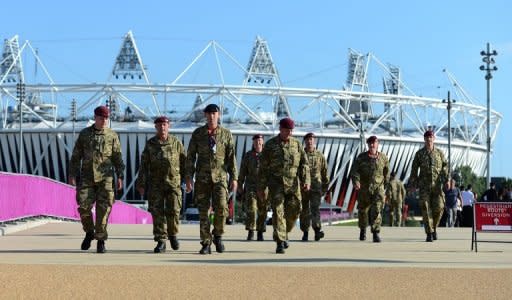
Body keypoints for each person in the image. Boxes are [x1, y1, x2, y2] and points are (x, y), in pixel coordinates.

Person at [68, 105, 125, 253]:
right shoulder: (85, 134)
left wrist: (120, 176)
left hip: (106, 179)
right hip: (87, 177)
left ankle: (100, 240)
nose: (104, 120)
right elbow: (76, 156)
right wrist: (72, 174)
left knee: (103, 210)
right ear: (95, 118)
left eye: (106, 118)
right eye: (101, 118)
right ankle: (89, 232)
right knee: (84, 207)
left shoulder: (112, 135)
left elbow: (117, 157)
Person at [185, 103, 238, 255]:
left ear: (219, 115)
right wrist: (189, 177)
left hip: (220, 178)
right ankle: (206, 243)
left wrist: (234, 178)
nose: (211, 116)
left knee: (222, 208)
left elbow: (231, 157)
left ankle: (218, 235)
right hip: (202, 178)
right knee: (203, 212)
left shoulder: (226, 134)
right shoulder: (198, 134)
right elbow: (190, 157)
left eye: (214, 113)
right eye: (208, 113)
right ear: (205, 115)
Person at [258, 117, 310, 254]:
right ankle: (280, 241)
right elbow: (263, 168)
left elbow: (304, 164)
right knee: (278, 212)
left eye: (291, 130)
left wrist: (306, 180)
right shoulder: (270, 145)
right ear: (280, 129)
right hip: (276, 184)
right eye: (287, 130)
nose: (289, 133)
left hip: (293, 184)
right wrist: (261, 187)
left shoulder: (297, 145)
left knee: (294, 210)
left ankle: (284, 232)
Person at [136, 116, 186, 253]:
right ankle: (161, 241)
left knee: (174, 211)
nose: (162, 127)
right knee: (157, 213)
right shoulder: (150, 144)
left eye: (164, 125)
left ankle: (173, 234)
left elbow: (184, 163)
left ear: (168, 126)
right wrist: (141, 183)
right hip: (155, 184)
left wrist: (187, 180)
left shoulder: (176, 143)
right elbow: (144, 165)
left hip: (173, 184)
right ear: (156, 127)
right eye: (159, 125)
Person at [409, 130, 448, 242]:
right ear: (424, 139)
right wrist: (413, 184)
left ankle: (434, 227)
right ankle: (429, 233)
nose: (429, 140)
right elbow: (414, 170)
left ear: (434, 139)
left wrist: (447, 180)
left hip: (437, 187)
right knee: (425, 208)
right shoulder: (419, 154)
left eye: (431, 138)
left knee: (439, 208)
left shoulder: (439, 153)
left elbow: (445, 166)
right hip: (424, 186)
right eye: (427, 138)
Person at [350, 135, 390, 243]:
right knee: (363, 211)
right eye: (370, 143)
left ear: (377, 144)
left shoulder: (383, 158)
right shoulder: (361, 158)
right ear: (368, 144)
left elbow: (387, 173)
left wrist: (385, 187)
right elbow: (354, 171)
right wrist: (356, 181)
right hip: (364, 189)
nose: (372, 145)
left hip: (378, 189)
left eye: (374, 143)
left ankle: (375, 233)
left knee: (377, 209)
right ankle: (363, 229)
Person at [238, 134, 267, 241]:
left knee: (262, 210)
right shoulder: (248, 155)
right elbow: (242, 171)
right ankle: (251, 231)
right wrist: (240, 185)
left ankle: (260, 232)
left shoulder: (267, 155)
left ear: (263, 142)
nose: (258, 143)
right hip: (251, 186)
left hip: (264, 187)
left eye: (259, 141)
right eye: (255, 141)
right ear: (253, 143)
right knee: (252, 208)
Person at [300, 132, 329, 242]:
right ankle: (305, 232)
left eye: (311, 139)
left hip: (316, 187)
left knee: (315, 209)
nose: (310, 141)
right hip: (303, 188)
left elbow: (324, 172)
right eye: (308, 139)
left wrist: (325, 187)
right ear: (305, 141)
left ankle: (317, 231)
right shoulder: (301, 155)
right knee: (304, 210)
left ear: (314, 141)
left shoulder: (320, 156)